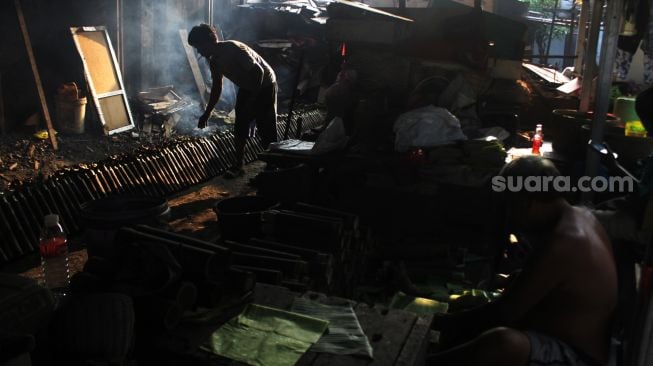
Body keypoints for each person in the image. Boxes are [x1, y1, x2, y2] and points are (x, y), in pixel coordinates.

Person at [428, 156, 617, 366]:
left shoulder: (564, 242)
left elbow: (504, 314)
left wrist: (439, 323)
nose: (512, 216)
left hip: (577, 357)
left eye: (511, 206)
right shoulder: (580, 216)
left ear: (525, 202)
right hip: (562, 337)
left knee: (501, 344)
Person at [188, 24, 278, 178]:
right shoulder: (214, 62)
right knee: (240, 125)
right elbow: (217, 88)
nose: (199, 52)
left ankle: (273, 166)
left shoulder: (232, 49)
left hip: (265, 85)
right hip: (247, 86)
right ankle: (238, 165)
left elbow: (258, 72)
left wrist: (253, 102)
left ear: (208, 42)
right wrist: (207, 113)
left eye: (199, 47)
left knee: (265, 126)